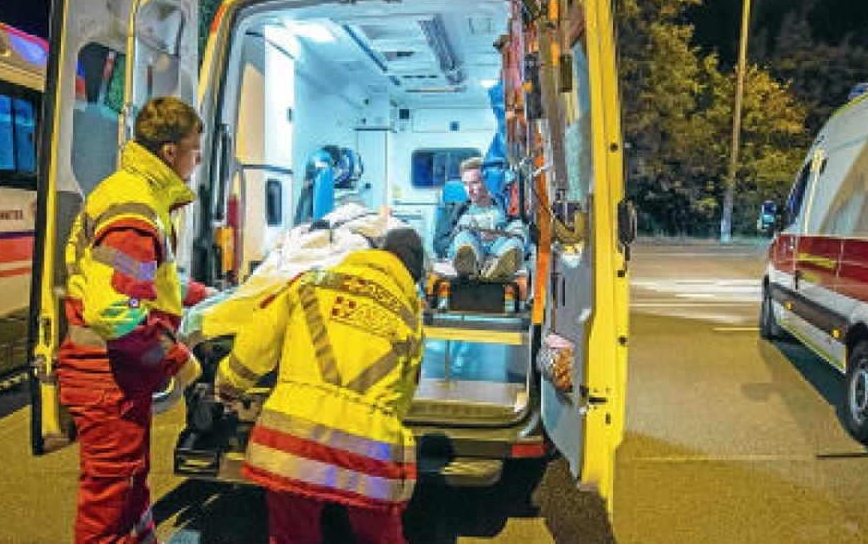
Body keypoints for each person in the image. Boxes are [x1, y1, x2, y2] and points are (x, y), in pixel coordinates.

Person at [56, 96, 211, 543]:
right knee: (109, 501)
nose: (195, 164)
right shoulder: (136, 210)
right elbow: (114, 311)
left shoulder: (128, 192)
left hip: (111, 372)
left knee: (128, 484)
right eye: (194, 153)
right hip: (107, 375)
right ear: (170, 151)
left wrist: (200, 295)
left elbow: (137, 280)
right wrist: (176, 359)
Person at [215, 228, 426, 544]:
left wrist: (229, 386)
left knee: (292, 535)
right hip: (366, 449)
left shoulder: (310, 282)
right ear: (412, 274)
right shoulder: (409, 318)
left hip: (294, 436)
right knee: (379, 536)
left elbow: (259, 339)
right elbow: (402, 396)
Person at [435, 155, 524, 281]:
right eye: (465, 184)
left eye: (474, 183)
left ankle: (499, 266)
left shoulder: (506, 208)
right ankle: (469, 263)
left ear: (487, 181)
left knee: (517, 227)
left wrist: (496, 236)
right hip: (471, 252)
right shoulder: (453, 210)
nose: (469, 190)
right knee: (466, 224)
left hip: (498, 251)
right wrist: (473, 237)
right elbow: (439, 243)